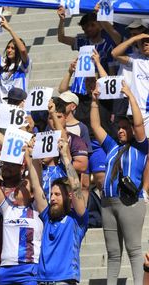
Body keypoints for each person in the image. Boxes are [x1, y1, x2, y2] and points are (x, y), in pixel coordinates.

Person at [90, 81, 147, 284]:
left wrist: (130, 96)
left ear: (132, 130)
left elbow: (139, 125)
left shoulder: (141, 147)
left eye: (125, 128)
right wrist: (95, 101)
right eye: (119, 128)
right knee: (113, 252)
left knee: (133, 249)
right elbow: (95, 126)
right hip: (108, 203)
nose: (120, 131)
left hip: (130, 202)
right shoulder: (112, 146)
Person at [0, 145, 43, 285]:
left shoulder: (38, 211)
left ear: (32, 194)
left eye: (24, 185)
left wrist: (28, 157)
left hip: (29, 268)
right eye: (20, 185)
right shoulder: (8, 209)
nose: (20, 187)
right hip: (5, 270)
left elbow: (37, 183)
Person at [25, 137, 88, 284]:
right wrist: (35, 155)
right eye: (52, 194)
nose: (52, 198)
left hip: (64, 280)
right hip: (41, 280)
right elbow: (37, 186)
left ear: (69, 196)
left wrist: (65, 157)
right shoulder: (48, 216)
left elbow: (76, 187)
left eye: (57, 194)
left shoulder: (77, 220)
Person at [0, 15, 30, 108]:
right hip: (2, 108)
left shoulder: (23, 64)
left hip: (19, 108)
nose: (9, 50)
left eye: (13, 48)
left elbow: (23, 50)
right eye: (8, 47)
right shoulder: (3, 63)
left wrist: (9, 29)